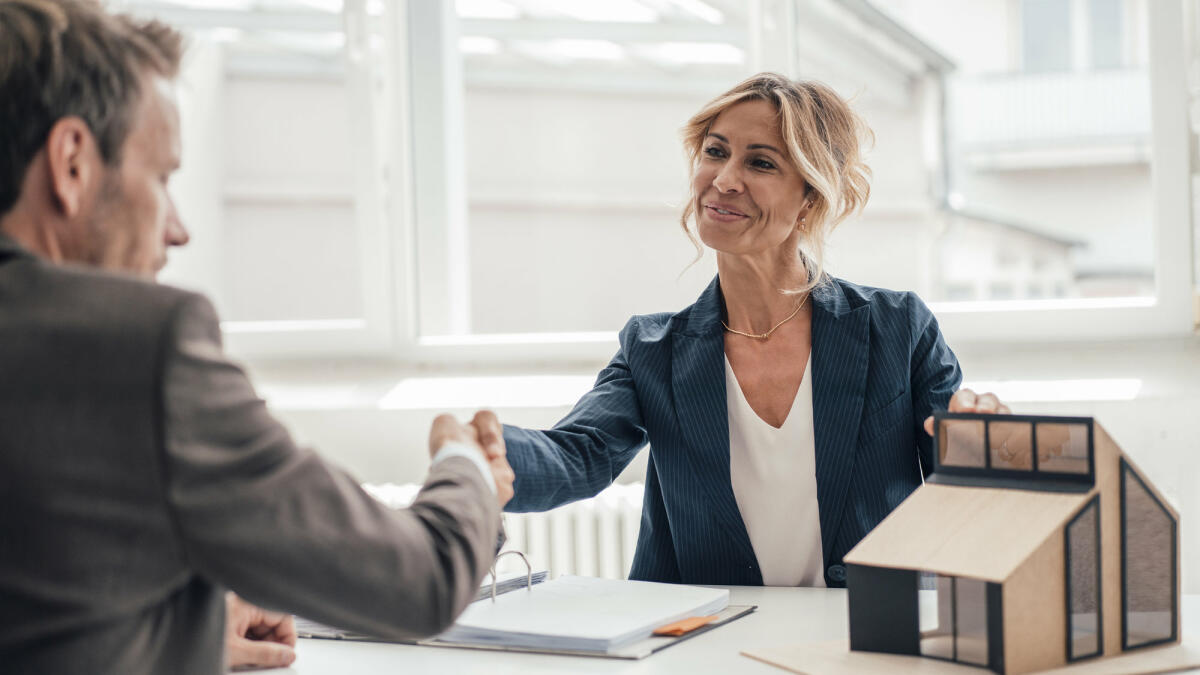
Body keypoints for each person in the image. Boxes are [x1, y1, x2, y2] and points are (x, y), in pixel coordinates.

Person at [0, 1, 514, 673]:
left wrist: (188, 627)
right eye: (161, 177)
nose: (177, 228)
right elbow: (422, 577)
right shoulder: (140, 348)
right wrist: (466, 465)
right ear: (71, 163)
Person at [466, 73, 1010, 588]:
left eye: (761, 163)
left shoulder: (897, 329)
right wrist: (490, 454)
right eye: (716, 152)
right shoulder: (653, 350)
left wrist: (986, 446)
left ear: (811, 198)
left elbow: (960, 485)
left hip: (861, 636)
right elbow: (578, 454)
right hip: (708, 640)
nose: (724, 181)